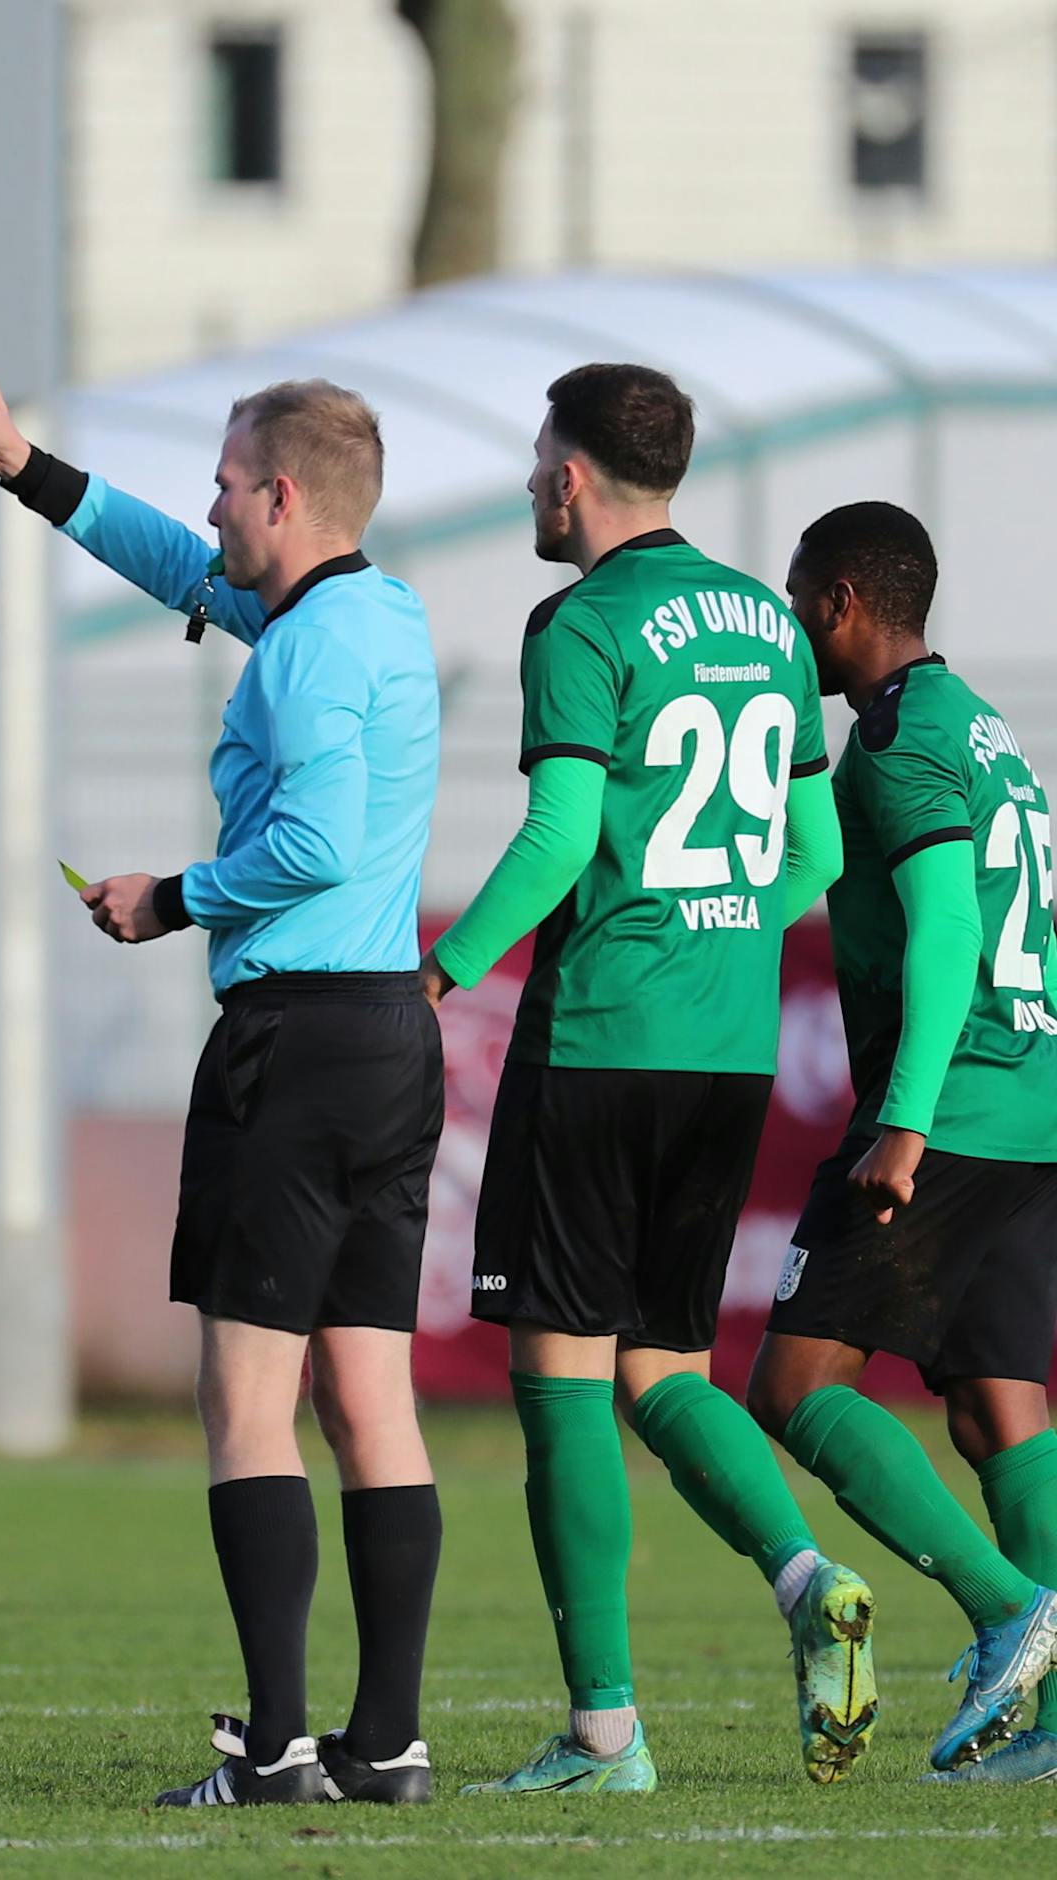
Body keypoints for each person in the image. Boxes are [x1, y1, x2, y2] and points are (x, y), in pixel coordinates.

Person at [0, 370, 443, 1807]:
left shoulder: (297, 655)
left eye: (226, 482)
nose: (211, 504)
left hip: (293, 1044)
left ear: (281, 494)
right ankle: (385, 1743)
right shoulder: (378, 614)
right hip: (387, 1037)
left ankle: (276, 1747)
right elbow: (178, 563)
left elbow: (319, 845)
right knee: (371, 1395)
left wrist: (172, 896)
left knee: (246, 1400)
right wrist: (24, 465)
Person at [421, 364, 866, 1794]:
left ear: (571, 477)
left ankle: (603, 1732)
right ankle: (806, 1577)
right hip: (725, 1050)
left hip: (600, 1038)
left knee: (557, 1375)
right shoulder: (767, 623)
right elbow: (816, 853)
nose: (528, 484)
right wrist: (716, 937)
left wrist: (441, 974)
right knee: (664, 1368)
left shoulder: (581, 623)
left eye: (536, 460)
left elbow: (558, 839)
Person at [747, 501, 1057, 1781]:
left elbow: (943, 927)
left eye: (794, 600)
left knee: (791, 1383)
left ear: (838, 603)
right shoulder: (976, 722)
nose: (788, 623)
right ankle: (1053, 1712)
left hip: (953, 1107)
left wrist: (904, 1122)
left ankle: (1008, 1609)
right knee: (995, 1407)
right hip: (1029, 1100)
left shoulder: (895, 736)